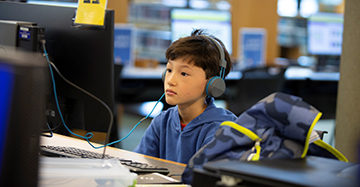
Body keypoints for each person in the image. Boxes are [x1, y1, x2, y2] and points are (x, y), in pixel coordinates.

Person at [133, 29, 237, 164]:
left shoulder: (221, 128)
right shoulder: (162, 122)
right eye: (169, 70)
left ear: (213, 83)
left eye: (184, 74)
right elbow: (139, 164)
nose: (170, 80)